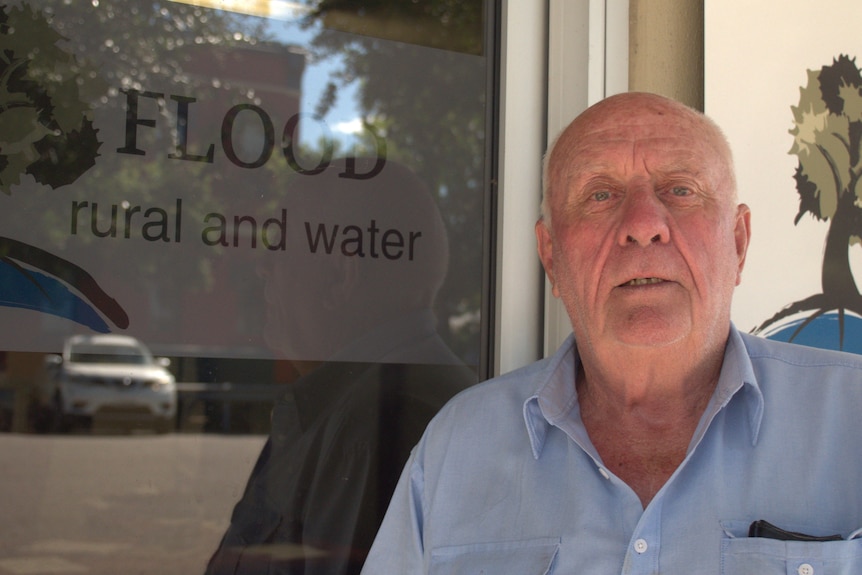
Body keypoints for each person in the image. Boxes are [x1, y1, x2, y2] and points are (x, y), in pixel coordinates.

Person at [359, 92, 862, 574]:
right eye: (600, 195)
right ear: (551, 256)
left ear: (738, 242)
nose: (643, 224)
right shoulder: (456, 451)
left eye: (680, 190)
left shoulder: (852, 418)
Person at [205, 159, 476, 575]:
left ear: (339, 277)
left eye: (279, 245)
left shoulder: (380, 423)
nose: (263, 266)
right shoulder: (360, 406)